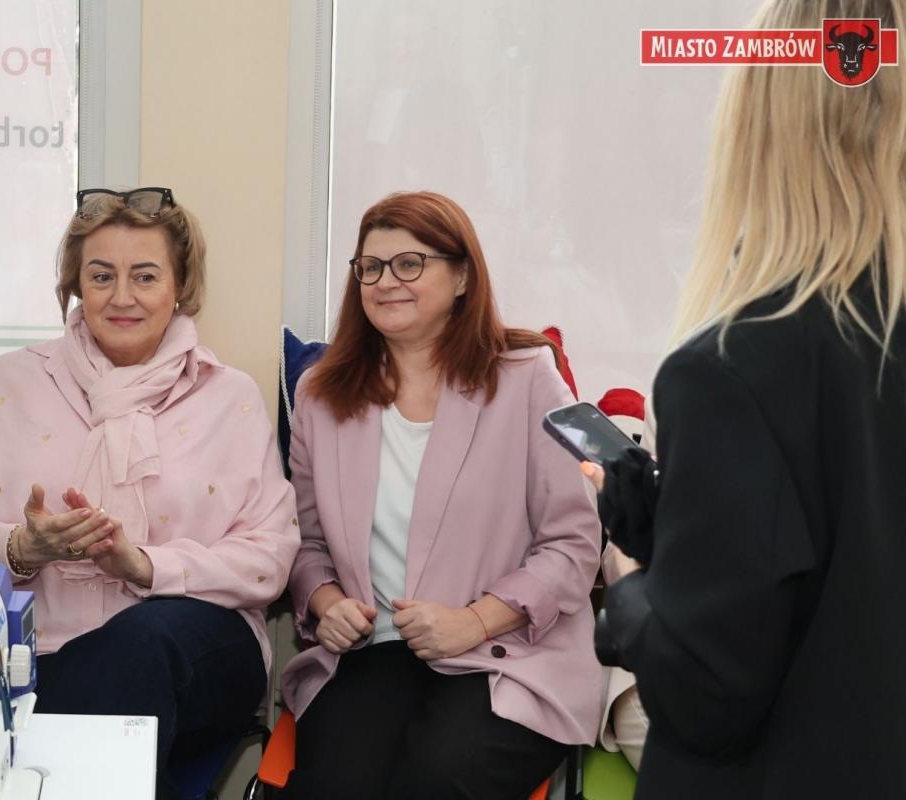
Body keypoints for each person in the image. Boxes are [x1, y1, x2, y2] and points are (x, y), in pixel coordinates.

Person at [587, 1, 906, 796]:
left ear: (760, 123)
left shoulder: (736, 370)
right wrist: (676, 533)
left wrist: (631, 590)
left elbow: (707, 694)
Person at [0, 187, 299, 800]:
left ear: (180, 285)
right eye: (102, 276)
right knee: (96, 702)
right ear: (77, 284)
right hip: (30, 651)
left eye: (145, 276)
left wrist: (145, 566)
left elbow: (270, 558)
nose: (122, 297)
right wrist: (21, 548)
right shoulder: (9, 383)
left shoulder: (228, 397)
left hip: (198, 654)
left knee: (139, 646)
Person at [279, 191, 602, 799]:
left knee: (437, 781)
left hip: (507, 652)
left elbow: (573, 544)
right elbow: (305, 543)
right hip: (373, 652)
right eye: (370, 267)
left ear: (461, 277)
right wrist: (326, 602)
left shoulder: (528, 376)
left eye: (410, 263)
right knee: (335, 787)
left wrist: (472, 621)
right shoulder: (321, 394)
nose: (385, 282)